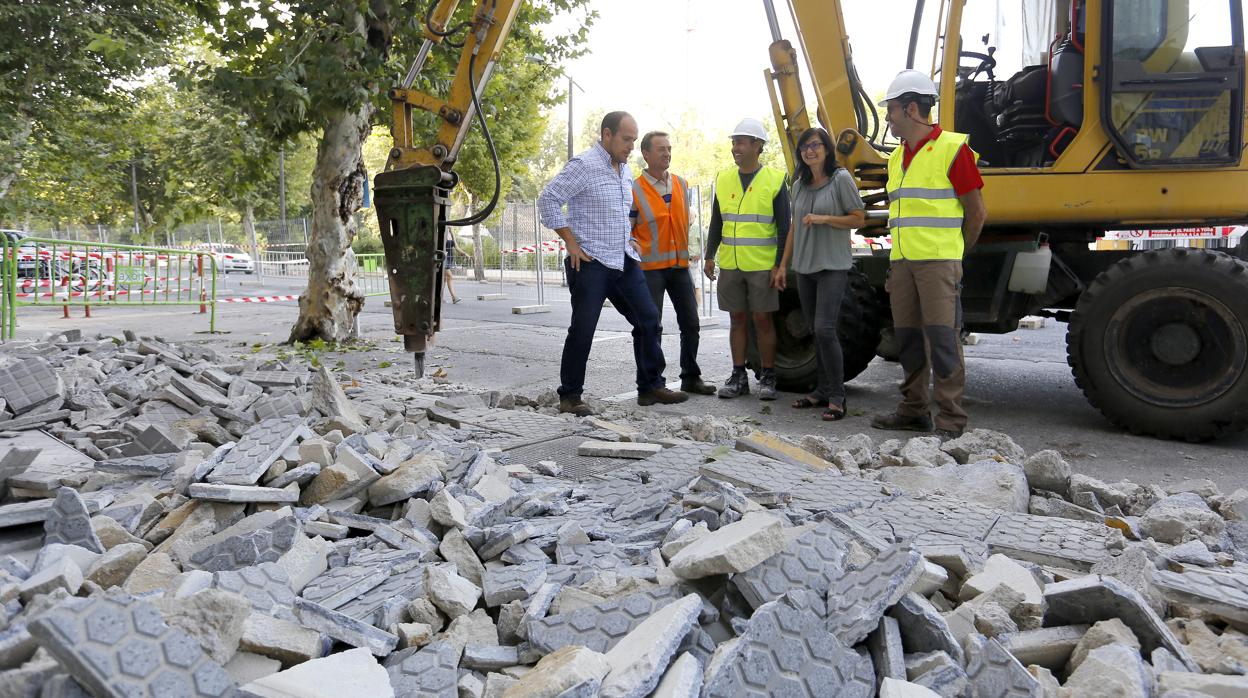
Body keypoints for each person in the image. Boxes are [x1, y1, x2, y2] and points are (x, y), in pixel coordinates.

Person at [538, 111, 689, 417]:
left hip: (623, 260)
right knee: (583, 329)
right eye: (626, 139)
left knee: (649, 320)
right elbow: (548, 200)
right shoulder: (584, 165)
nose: (631, 146)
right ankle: (570, 396)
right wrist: (570, 242)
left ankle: (650, 387)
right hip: (590, 262)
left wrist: (630, 239)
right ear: (607, 135)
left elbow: (620, 213)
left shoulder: (624, 169)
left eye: (634, 140)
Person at [869, 69, 987, 440]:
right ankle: (913, 410)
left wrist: (955, 255)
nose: (888, 118)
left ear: (911, 109)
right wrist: (895, 266)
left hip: (938, 264)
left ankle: (950, 421)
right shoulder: (895, 158)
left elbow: (977, 212)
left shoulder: (953, 149)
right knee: (907, 339)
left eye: (891, 110)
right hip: (903, 264)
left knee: (942, 340)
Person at [776, 127, 866, 421]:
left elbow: (858, 218)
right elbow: (794, 228)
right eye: (805, 147)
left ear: (827, 149)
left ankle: (837, 397)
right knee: (816, 330)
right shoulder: (799, 185)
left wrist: (824, 218)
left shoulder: (841, 179)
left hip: (832, 266)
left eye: (815, 145)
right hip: (804, 267)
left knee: (826, 329)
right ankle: (822, 390)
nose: (810, 150)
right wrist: (783, 265)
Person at [703, 117, 790, 401]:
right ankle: (738, 375)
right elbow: (717, 221)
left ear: (757, 145)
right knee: (736, 319)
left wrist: (779, 264)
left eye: (740, 142)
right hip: (731, 264)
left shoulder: (775, 180)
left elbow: (784, 227)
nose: (735, 148)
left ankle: (768, 375)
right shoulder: (724, 178)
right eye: (733, 142)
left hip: (762, 265)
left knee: (763, 320)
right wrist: (709, 255)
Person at [630, 131, 716, 395]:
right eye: (661, 149)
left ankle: (691, 377)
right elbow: (627, 228)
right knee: (649, 327)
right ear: (646, 154)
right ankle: (651, 385)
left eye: (669, 149)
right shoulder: (633, 189)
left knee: (691, 323)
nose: (667, 153)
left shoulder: (681, 183)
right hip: (650, 270)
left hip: (679, 266)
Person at [442, 231, 461, 304]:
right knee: (449, 276)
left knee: (444, 280)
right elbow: (456, 246)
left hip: (447, 260)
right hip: (444, 260)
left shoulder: (449, 235)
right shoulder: (443, 234)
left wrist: (452, 233)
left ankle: (440, 297)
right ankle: (454, 297)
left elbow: (456, 246)